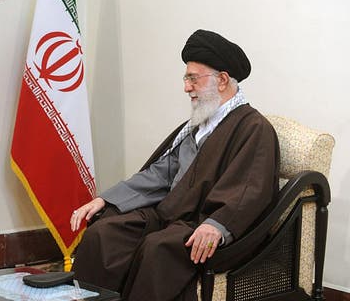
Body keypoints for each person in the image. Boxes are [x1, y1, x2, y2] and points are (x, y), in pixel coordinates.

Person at [70, 29, 280, 301]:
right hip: (170, 214)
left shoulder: (254, 128)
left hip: (202, 224)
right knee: (104, 233)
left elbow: (250, 190)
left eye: (193, 79)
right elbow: (160, 173)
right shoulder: (198, 124)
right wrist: (106, 199)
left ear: (223, 80)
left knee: (158, 248)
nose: (186, 87)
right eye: (186, 78)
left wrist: (217, 225)